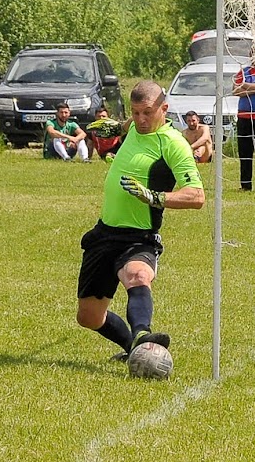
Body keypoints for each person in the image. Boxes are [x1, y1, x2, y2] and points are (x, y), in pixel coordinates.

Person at [76, 80, 204, 362]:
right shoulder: (134, 125)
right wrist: (116, 126)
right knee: (88, 317)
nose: (141, 119)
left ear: (164, 109)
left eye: (147, 112)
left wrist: (153, 197)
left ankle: (143, 334)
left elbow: (196, 196)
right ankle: (134, 346)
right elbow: (128, 125)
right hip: (103, 233)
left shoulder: (174, 145)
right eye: (135, 112)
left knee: (137, 276)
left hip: (139, 237)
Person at [233, 56, 255, 191]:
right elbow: (235, 90)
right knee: (245, 152)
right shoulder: (243, 72)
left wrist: (246, 87)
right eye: (253, 52)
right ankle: (246, 185)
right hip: (244, 115)